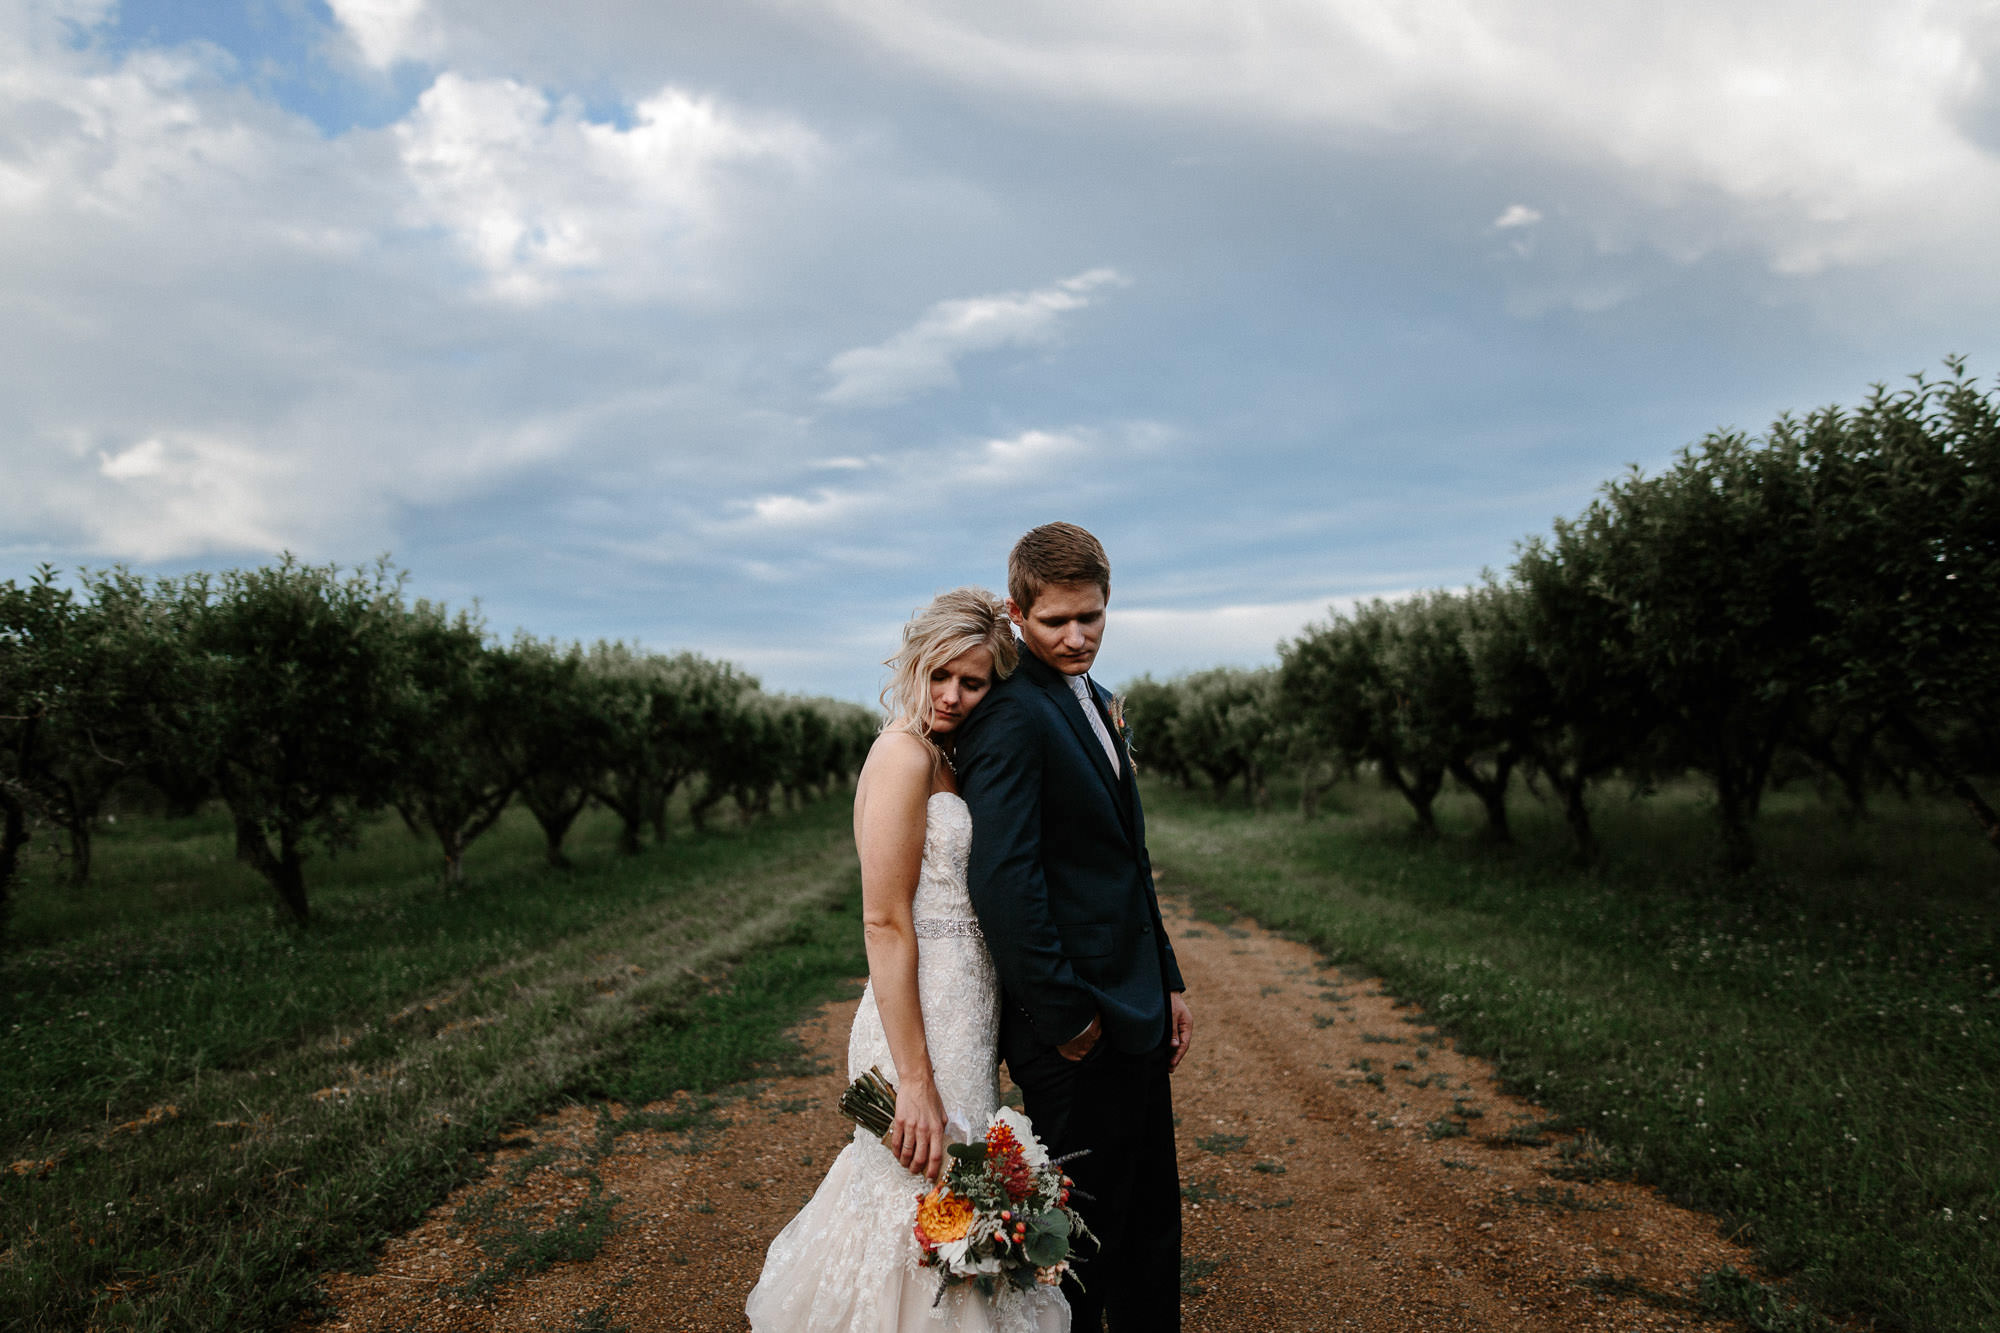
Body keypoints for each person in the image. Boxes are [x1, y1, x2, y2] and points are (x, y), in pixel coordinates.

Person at [745, 588, 1068, 1333]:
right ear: (915, 665)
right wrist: (913, 1081)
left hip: (963, 1014)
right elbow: (884, 920)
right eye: (941, 675)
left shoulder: (943, 753)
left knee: (953, 1208)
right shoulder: (900, 752)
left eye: (974, 680)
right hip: (916, 1022)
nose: (953, 694)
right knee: (917, 1206)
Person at [954, 522, 1193, 1332]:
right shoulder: (1012, 714)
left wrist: (1167, 977)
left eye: (1091, 616)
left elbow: (1128, 858)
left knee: (1151, 1222)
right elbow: (1003, 878)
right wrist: (1067, 1018)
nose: (1077, 635)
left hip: (1135, 1005)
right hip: (1077, 1028)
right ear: (1019, 612)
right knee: (1083, 1246)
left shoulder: (1092, 699)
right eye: (1056, 621)